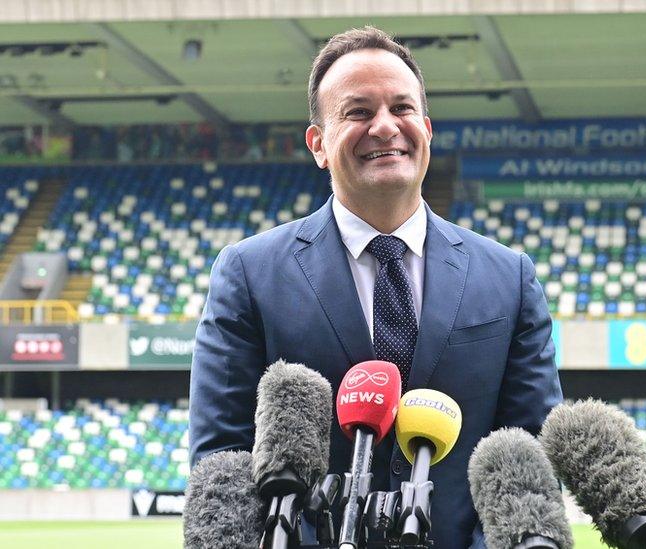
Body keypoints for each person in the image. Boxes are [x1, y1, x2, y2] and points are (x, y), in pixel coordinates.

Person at [189, 26, 563, 548]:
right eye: (358, 112)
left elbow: (530, 458)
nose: (385, 127)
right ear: (318, 144)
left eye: (402, 109)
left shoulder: (510, 277)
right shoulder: (248, 273)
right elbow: (222, 459)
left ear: (426, 129)